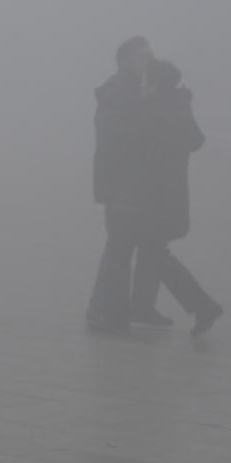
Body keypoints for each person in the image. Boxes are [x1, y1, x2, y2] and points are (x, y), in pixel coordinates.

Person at [131, 59, 223, 336]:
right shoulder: (176, 106)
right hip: (170, 194)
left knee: (154, 251)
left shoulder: (158, 110)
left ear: (156, 85)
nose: (141, 86)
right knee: (151, 250)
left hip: (157, 195)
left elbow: (144, 148)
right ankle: (142, 306)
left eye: (145, 81)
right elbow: (197, 140)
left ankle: (203, 305)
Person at [87, 36, 156, 333]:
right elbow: (115, 140)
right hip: (120, 185)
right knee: (119, 246)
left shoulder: (131, 91)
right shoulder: (120, 93)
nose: (149, 63)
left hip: (127, 184)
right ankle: (104, 311)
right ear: (127, 61)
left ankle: (102, 308)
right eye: (143, 57)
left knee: (119, 246)